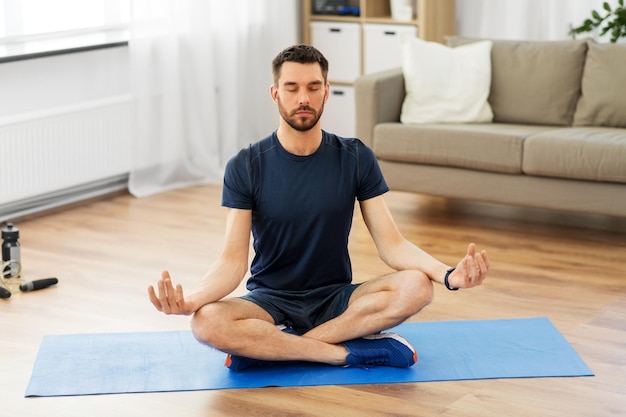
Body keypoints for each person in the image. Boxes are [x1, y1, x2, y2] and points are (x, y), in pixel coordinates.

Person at [148, 44, 489, 371]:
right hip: (270, 301)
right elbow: (231, 262)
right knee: (206, 322)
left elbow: (393, 245)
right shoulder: (246, 165)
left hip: (337, 299)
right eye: (292, 87)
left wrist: (448, 275)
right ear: (275, 93)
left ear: (327, 91)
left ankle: (273, 350)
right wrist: (190, 300)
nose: (303, 98)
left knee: (418, 286)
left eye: (313, 87)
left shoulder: (355, 157)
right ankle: (342, 354)